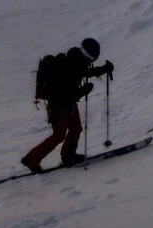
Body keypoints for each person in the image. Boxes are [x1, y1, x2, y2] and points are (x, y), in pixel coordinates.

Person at [22, 38, 114, 171]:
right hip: (59, 105)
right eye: (90, 56)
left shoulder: (76, 60)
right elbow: (67, 91)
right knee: (59, 135)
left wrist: (105, 69)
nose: (90, 59)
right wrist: (83, 91)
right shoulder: (70, 65)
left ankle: (68, 156)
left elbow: (85, 73)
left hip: (68, 104)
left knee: (76, 128)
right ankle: (31, 159)